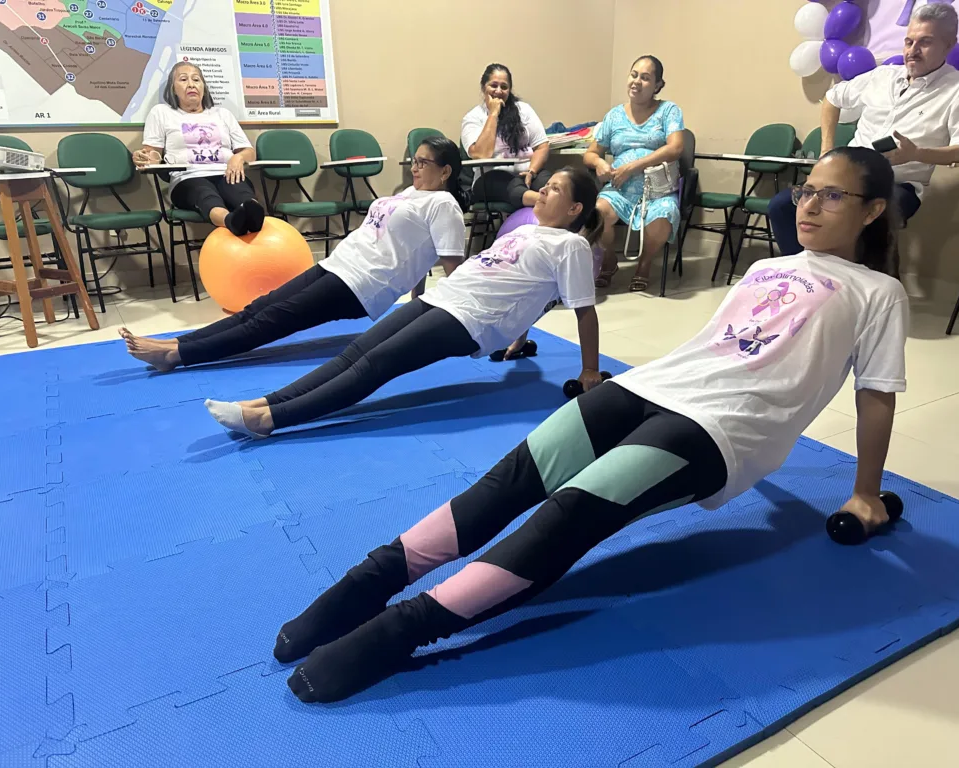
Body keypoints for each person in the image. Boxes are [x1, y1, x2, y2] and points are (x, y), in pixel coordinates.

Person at [272, 147, 910, 704]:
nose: (809, 205)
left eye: (832, 195)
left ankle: (403, 629)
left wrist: (864, 491)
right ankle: (373, 580)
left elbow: (875, 395)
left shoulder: (879, 294)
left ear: (874, 210)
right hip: (652, 385)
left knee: (572, 511)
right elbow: (721, 345)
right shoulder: (769, 267)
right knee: (510, 480)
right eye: (806, 191)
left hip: (722, 428)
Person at [203, 168, 604, 437]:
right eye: (546, 183)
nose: (544, 189)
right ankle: (265, 401)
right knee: (356, 351)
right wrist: (519, 337)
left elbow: (583, 309)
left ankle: (271, 419)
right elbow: (519, 286)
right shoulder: (527, 231)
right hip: (446, 297)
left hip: (470, 319)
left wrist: (589, 371)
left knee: (378, 364)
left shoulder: (570, 245)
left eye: (555, 188)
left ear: (574, 209)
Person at [119, 137, 469, 372]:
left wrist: (445, 323)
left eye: (424, 162)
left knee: (270, 321)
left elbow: (453, 268)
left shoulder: (445, 205)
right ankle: (180, 341)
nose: (415, 166)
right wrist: (414, 300)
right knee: (259, 307)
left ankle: (176, 355)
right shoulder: (411, 193)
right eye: (415, 160)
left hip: (362, 285)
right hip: (339, 264)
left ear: (446, 171)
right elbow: (416, 250)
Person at [768, 3, 959, 257]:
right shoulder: (883, 76)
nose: (912, 51)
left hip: (899, 184)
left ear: (949, 44)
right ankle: (808, 275)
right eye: (908, 42)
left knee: (860, 217)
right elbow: (832, 98)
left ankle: (861, 285)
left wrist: (917, 153)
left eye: (925, 42)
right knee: (783, 205)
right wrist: (826, 151)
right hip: (845, 176)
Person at [585, 55, 685, 292]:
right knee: (598, 214)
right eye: (634, 75)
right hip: (619, 189)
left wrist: (634, 166)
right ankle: (609, 261)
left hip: (657, 191)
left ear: (658, 85)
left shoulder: (668, 111)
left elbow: (676, 147)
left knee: (665, 215)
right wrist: (599, 162)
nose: (637, 82)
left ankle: (644, 264)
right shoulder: (614, 116)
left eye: (646, 78)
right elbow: (590, 153)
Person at [133, 61, 266, 236]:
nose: (191, 84)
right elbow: (153, 155)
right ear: (173, 89)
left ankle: (254, 218)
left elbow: (248, 152)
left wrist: (238, 158)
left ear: (203, 87)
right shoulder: (161, 113)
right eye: (183, 79)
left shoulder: (222, 114)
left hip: (226, 172)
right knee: (204, 192)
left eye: (196, 79)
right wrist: (145, 158)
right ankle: (231, 221)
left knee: (239, 190)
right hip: (187, 177)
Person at [461, 63, 552, 210]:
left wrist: (531, 171)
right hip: (490, 178)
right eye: (493, 85)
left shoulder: (524, 110)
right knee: (513, 187)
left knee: (551, 183)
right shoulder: (473, 118)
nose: (498, 91)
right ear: (484, 87)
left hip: (527, 172)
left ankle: (554, 201)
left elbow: (542, 146)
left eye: (504, 87)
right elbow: (481, 154)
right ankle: (548, 202)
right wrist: (493, 114)